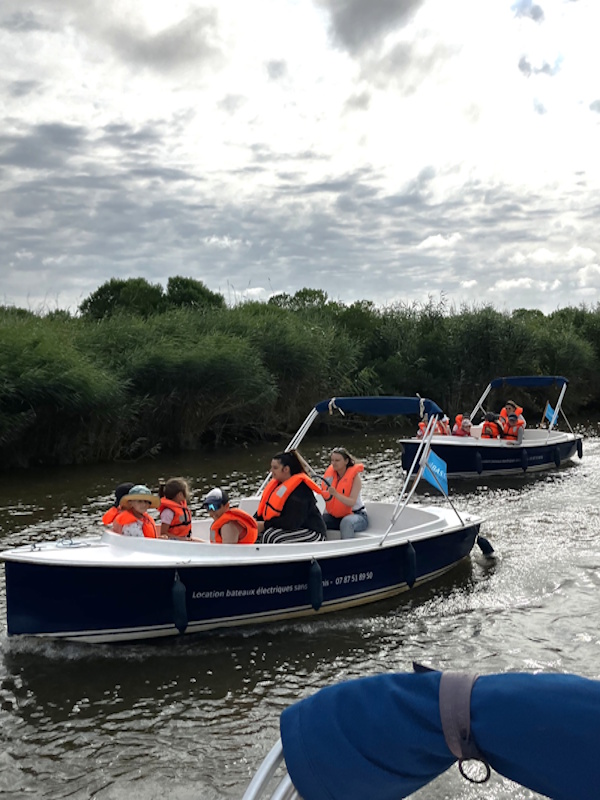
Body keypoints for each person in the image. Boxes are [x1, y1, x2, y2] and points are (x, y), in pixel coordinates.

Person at [255, 450, 326, 544]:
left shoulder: (301, 490)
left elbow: (292, 522)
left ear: (286, 469)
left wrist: (265, 525)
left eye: (275, 468)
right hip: (287, 527)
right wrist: (253, 521)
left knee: (271, 536)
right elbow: (264, 510)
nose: (271, 471)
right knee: (253, 533)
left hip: (311, 531)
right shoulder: (276, 486)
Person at [320, 446, 368, 539]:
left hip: (357, 515)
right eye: (332, 460)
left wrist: (336, 494)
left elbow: (352, 502)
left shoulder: (355, 478)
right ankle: (319, 545)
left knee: (346, 522)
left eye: (337, 460)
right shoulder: (331, 476)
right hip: (337, 517)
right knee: (318, 520)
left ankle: (348, 547)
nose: (334, 463)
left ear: (346, 461)